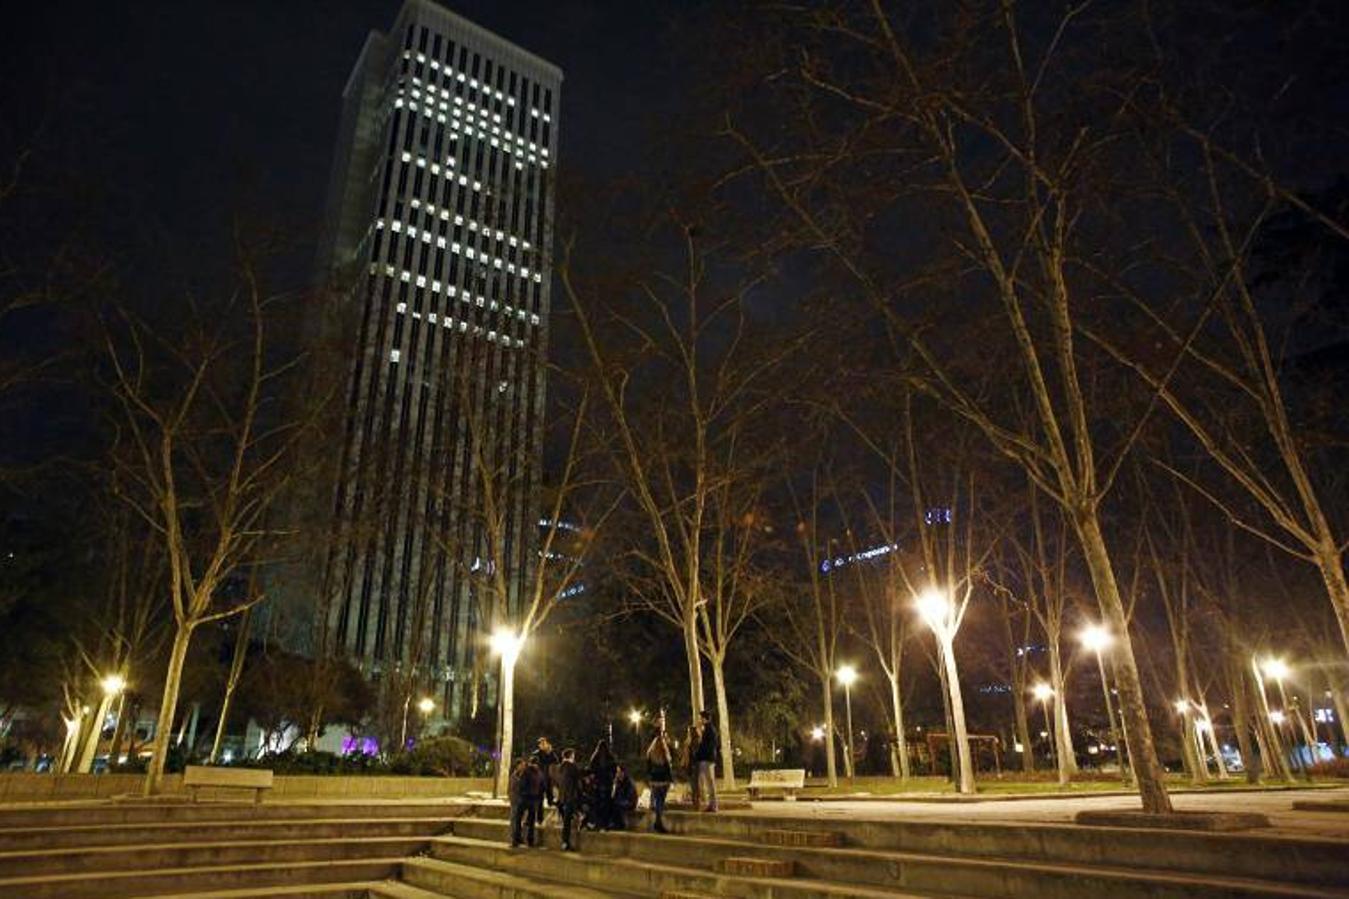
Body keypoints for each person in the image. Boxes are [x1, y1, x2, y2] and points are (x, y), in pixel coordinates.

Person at [508, 756, 545, 847]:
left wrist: (521, 794)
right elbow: (543, 788)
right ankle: (530, 841)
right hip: (534, 800)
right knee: (531, 822)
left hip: (524, 799)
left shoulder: (526, 772)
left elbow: (521, 785)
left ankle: (516, 840)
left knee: (518, 819)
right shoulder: (540, 774)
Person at [552, 747, 582, 851]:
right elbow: (579, 778)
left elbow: (556, 782)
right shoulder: (572, 767)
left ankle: (564, 842)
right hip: (570, 797)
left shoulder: (559, 767)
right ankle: (566, 842)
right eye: (573, 755)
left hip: (562, 798)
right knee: (568, 822)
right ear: (571, 756)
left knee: (566, 821)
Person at [645, 732, 674, 833]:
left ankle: (658, 822)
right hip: (663, 781)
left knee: (658, 801)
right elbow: (668, 768)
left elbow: (648, 769)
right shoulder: (664, 753)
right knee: (661, 802)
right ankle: (658, 822)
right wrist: (671, 780)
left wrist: (649, 779)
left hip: (654, 781)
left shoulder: (650, 754)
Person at [587, 739, 618, 830]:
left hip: (598, 784)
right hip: (607, 783)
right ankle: (606, 823)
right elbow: (614, 769)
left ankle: (598, 823)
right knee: (607, 803)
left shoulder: (594, 757)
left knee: (598, 804)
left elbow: (591, 770)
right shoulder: (610, 757)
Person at [693, 709, 719, 812]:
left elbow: (706, 746)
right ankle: (711, 804)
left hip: (706, 759)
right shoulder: (708, 729)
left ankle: (713, 805)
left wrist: (698, 754)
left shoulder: (709, 730)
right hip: (707, 759)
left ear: (704, 719)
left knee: (709, 783)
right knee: (709, 783)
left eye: (700, 718)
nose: (699, 720)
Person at [531, 737, 560, 823]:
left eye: (544, 743)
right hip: (539, 780)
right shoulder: (536, 754)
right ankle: (540, 819)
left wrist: (550, 752)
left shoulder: (550, 753)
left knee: (550, 800)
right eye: (541, 744)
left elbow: (556, 761)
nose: (543, 745)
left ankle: (555, 814)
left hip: (548, 779)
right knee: (539, 800)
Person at [611, 764, 638, 830]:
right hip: (622, 800)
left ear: (623, 772)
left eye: (619, 772)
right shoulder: (618, 782)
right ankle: (614, 823)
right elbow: (614, 795)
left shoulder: (629, 782)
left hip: (629, 802)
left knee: (618, 805)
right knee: (611, 804)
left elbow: (630, 796)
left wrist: (619, 800)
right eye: (617, 772)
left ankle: (620, 824)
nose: (618, 774)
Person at [680, 723, 701, 808]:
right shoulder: (690, 741)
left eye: (689, 731)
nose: (687, 733)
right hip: (691, 765)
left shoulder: (694, 742)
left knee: (694, 784)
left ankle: (696, 803)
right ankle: (695, 801)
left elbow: (692, 754)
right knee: (694, 784)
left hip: (693, 765)